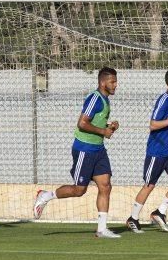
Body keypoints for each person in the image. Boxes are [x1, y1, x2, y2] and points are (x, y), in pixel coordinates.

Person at [33, 67, 121, 238]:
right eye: (113, 82)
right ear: (103, 82)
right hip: (84, 149)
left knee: (105, 185)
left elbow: (94, 123)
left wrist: (109, 126)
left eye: (116, 81)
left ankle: (102, 229)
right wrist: (104, 132)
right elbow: (82, 123)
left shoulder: (105, 99)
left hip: (98, 149)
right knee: (79, 190)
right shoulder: (94, 98)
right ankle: (46, 195)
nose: (116, 85)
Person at [126, 68, 168, 233]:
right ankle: (133, 218)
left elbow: (166, 122)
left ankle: (160, 212)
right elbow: (153, 124)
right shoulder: (164, 100)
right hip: (157, 151)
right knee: (149, 185)